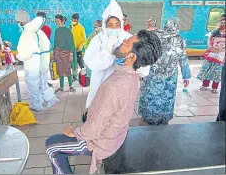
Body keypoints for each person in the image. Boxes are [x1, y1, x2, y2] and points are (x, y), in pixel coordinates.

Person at [45, 30, 162, 174]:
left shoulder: (115, 85)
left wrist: (75, 132)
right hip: (117, 133)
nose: (122, 42)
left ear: (131, 57)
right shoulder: (131, 76)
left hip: (103, 142)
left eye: (126, 43)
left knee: (51, 145)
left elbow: (93, 129)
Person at [138, 18, 191, 125]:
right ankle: (164, 117)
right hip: (170, 75)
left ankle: (148, 116)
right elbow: (183, 58)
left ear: (166, 25)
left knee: (151, 94)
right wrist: (186, 76)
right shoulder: (180, 40)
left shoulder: (156, 35)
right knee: (167, 96)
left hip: (154, 73)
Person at [83, 0, 133, 111]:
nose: (114, 28)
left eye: (117, 24)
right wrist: (107, 53)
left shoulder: (128, 37)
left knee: (118, 111)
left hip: (121, 82)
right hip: (101, 81)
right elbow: (90, 62)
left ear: (121, 23)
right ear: (105, 25)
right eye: (110, 25)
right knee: (99, 110)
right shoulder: (98, 39)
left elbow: (139, 62)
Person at [15, 10, 59, 112]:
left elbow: (24, 52)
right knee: (43, 82)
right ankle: (50, 99)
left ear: (21, 21)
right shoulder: (39, 31)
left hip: (32, 63)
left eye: (18, 21)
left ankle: (37, 105)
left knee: (32, 83)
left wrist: (19, 57)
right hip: (42, 62)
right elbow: (48, 46)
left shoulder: (27, 33)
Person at [197, 13, 225, 93]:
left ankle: (214, 87)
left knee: (217, 72)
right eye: (222, 23)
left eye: (224, 23)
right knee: (207, 69)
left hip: (221, 56)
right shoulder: (214, 32)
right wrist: (211, 47)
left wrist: (222, 49)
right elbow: (209, 40)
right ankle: (205, 85)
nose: (223, 25)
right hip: (211, 54)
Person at [53, 14, 77, 93]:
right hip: (58, 53)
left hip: (66, 53)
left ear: (63, 21)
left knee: (67, 70)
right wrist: (54, 53)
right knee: (60, 70)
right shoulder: (57, 31)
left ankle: (70, 86)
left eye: (58, 21)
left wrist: (71, 54)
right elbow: (55, 42)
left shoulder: (68, 31)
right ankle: (61, 87)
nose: (57, 23)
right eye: (56, 21)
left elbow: (71, 43)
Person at [36, 11, 53, 87]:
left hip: (40, 52)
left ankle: (43, 82)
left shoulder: (46, 29)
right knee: (42, 68)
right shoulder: (47, 29)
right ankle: (43, 83)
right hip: (41, 52)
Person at [70, 13, 86, 79]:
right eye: (73, 19)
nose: (74, 20)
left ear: (78, 20)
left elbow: (84, 39)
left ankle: (85, 76)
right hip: (71, 48)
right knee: (73, 64)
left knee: (81, 63)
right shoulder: (70, 26)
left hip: (78, 49)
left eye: (75, 19)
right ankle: (74, 77)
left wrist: (79, 47)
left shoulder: (81, 27)